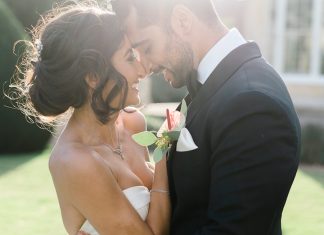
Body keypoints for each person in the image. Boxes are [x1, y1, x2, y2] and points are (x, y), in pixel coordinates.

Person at [112, 0, 301, 234]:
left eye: (147, 47)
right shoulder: (215, 86)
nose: (146, 67)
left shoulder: (253, 105)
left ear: (182, 20)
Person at [10, 3, 170, 235]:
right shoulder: (74, 161)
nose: (143, 69)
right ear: (93, 76)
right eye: (129, 58)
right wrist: (163, 154)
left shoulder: (133, 123)